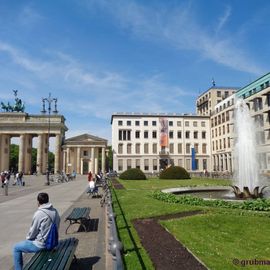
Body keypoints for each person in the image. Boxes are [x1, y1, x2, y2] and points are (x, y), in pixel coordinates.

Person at [13, 192, 60, 270]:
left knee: (16, 248)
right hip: (53, 242)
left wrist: (28, 239)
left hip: (41, 245)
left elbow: (32, 232)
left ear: (38, 202)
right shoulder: (55, 211)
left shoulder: (39, 213)